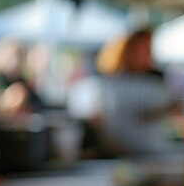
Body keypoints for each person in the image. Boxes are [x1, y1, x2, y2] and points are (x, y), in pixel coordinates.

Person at [67, 28, 177, 157]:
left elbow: (175, 108)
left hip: (153, 152)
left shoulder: (160, 81)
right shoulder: (112, 81)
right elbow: (99, 114)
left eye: (147, 50)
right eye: (138, 50)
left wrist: (158, 113)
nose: (143, 55)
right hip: (115, 153)